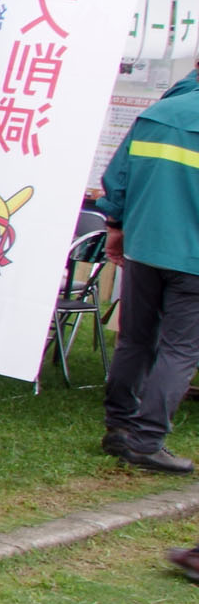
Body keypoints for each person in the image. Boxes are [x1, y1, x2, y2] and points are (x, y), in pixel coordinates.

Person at [94, 55, 199, 477]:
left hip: (143, 247)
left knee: (135, 339)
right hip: (191, 258)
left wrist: (116, 226)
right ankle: (146, 440)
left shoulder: (157, 112)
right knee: (180, 349)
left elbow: (117, 176)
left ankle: (118, 427)